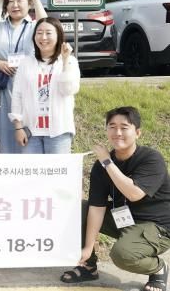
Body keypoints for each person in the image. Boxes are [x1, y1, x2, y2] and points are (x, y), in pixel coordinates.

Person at [60, 106, 170, 291]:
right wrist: (88, 248)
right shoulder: (100, 165)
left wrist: (107, 162)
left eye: (124, 127)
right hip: (124, 219)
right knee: (78, 209)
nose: (117, 132)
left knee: (122, 255)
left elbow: (134, 194)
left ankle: (158, 268)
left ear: (138, 133)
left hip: (156, 226)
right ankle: (88, 266)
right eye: (112, 127)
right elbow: (96, 207)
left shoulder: (151, 159)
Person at [0, 0, 47, 154]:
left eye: (19, 0)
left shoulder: (34, 27)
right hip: (1, 87)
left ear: (29, 3)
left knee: (26, 131)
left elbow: (46, 26)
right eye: (10, 1)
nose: (15, 5)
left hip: (28, 87)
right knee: (1, 129)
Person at [10, 18, 80, 154]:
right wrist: (18, 127)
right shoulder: (25, 63)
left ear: (58, 36)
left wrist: (65, 61)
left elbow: (68, 90)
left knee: (58, 168)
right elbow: (17, 95)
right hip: (31, 131)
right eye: (39, 33)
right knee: (32, 168)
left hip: (59, 132)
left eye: (48, 33)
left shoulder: (70, 61)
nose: (43, 37)